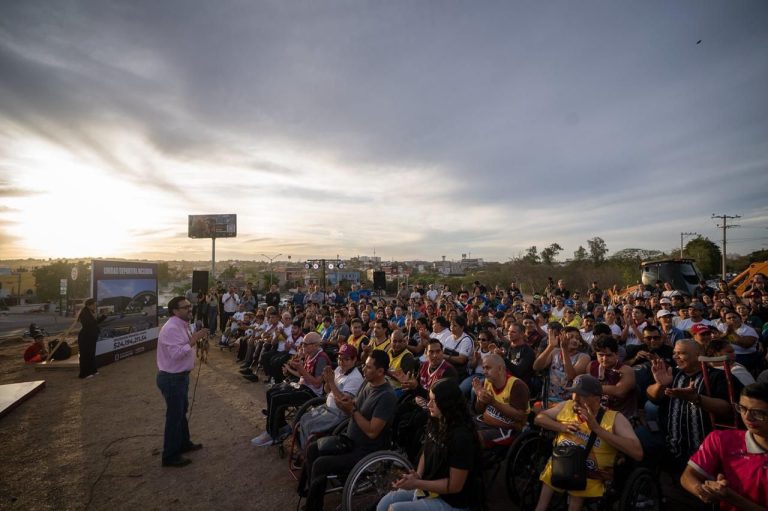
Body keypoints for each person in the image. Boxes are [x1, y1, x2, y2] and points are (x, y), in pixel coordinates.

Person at [298, 350, 398, 511]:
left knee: (320, 464)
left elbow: (372, 431)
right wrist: (333, 386)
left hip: (365, 451)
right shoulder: (368, 383)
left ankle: (314, 505)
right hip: (349, 439)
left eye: (368, 367)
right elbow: (352, 403)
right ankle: (313, 493)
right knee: (312, 448)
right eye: (364, 365)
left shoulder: (386, 396)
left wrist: (352, 411)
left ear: (380, 371)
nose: (363, 369)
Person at [534, 375, 643, 511]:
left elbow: (637, 452)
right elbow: (539, 418)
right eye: (574, 392)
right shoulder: (567, 406)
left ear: (597, 398)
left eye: (582, 395)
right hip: (562, 464)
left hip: (591, 473)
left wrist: (597, 429)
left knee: (577, 494)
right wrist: (561, 427)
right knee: (548, 483)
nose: (575, 398)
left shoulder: (614, 418)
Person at [377, 378, 480, 511]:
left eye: (434, 401)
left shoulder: (461, 438)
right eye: (429, 399)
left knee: (395, 509)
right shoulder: (436, 420)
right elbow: (426, 450)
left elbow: (455, 486)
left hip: (451, 501)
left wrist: (418, 483)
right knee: (384, 504)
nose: (429, 404)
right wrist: (418, 475)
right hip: (430, 489)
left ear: (447, 404)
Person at [681, 382, 768, 511]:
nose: (747, 417)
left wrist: (731, 498)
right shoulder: (721, 439)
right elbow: (688, 476)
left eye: (758, 413)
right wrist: (704, 491)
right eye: (742, 408)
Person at [156, 296, 208, 467]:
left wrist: (195, 338)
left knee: (181, 412)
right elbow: (177, 354)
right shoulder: (171, 328)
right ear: (175, 311)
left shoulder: (182, 325)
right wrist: (195, 339)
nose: (190, 309)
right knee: (174, 416)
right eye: (185, 307)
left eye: (190, 306)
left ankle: (184, 443)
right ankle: (170, 455)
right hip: (172, 378)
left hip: (180, 377)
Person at [296, 343, 363, 451]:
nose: (341, 362)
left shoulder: (355, 378)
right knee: (304, 418)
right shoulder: (339, 369)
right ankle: (304, 449)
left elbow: (344, 402)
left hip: (339, 413)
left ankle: (307, 453)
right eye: (340, 359)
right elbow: (327, 390)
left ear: (354, 359)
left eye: (346, 359)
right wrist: (327, 380)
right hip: (328, 406)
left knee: (309, 425)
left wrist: (331, 381)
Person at [64, 298, 106, 379]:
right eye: (94, 305)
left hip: (91, 336)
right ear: (89, 305)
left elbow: (95, 323)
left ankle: (92, 370)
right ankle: (84, 373)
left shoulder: (90, 312)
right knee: (85, 355)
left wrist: (103, 316)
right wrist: (101, 317)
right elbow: (90, 324)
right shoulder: (84, 313)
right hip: (85, 337)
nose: (95, 306)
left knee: (91, 354)